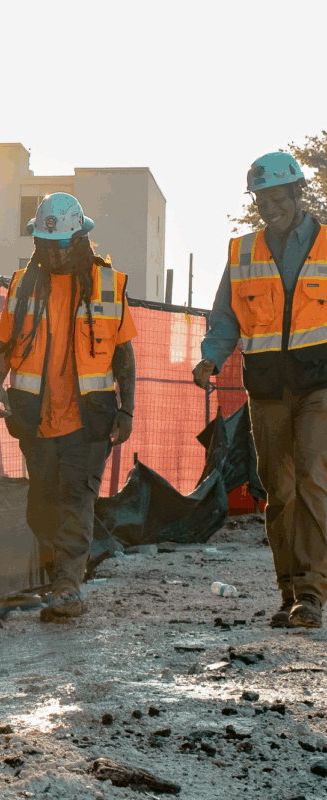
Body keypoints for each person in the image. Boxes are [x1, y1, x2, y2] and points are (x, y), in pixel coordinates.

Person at [0, 192, 136, 622]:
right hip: (35, 418)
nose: (55, 253)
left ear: (80, 241)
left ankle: (68, 587)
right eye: (46, 245)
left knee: (77, 500)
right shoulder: (23, 284)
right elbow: (3, 344)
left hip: (88, 419)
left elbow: (123, 355)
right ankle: (59, 580)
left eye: (63, 244)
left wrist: (127, 411)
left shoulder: (108, 284)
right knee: (42, 507)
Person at [193, 152, 326, 629]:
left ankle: (311, 591)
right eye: (262, 200)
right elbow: (226, 316)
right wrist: (211, 356)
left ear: (297, 194)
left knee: (313, 478)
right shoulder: (243, 253)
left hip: (320, 386)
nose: (270, 208)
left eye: (277, 198)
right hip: (267, 389)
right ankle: (289, 589)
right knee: (279, 489)